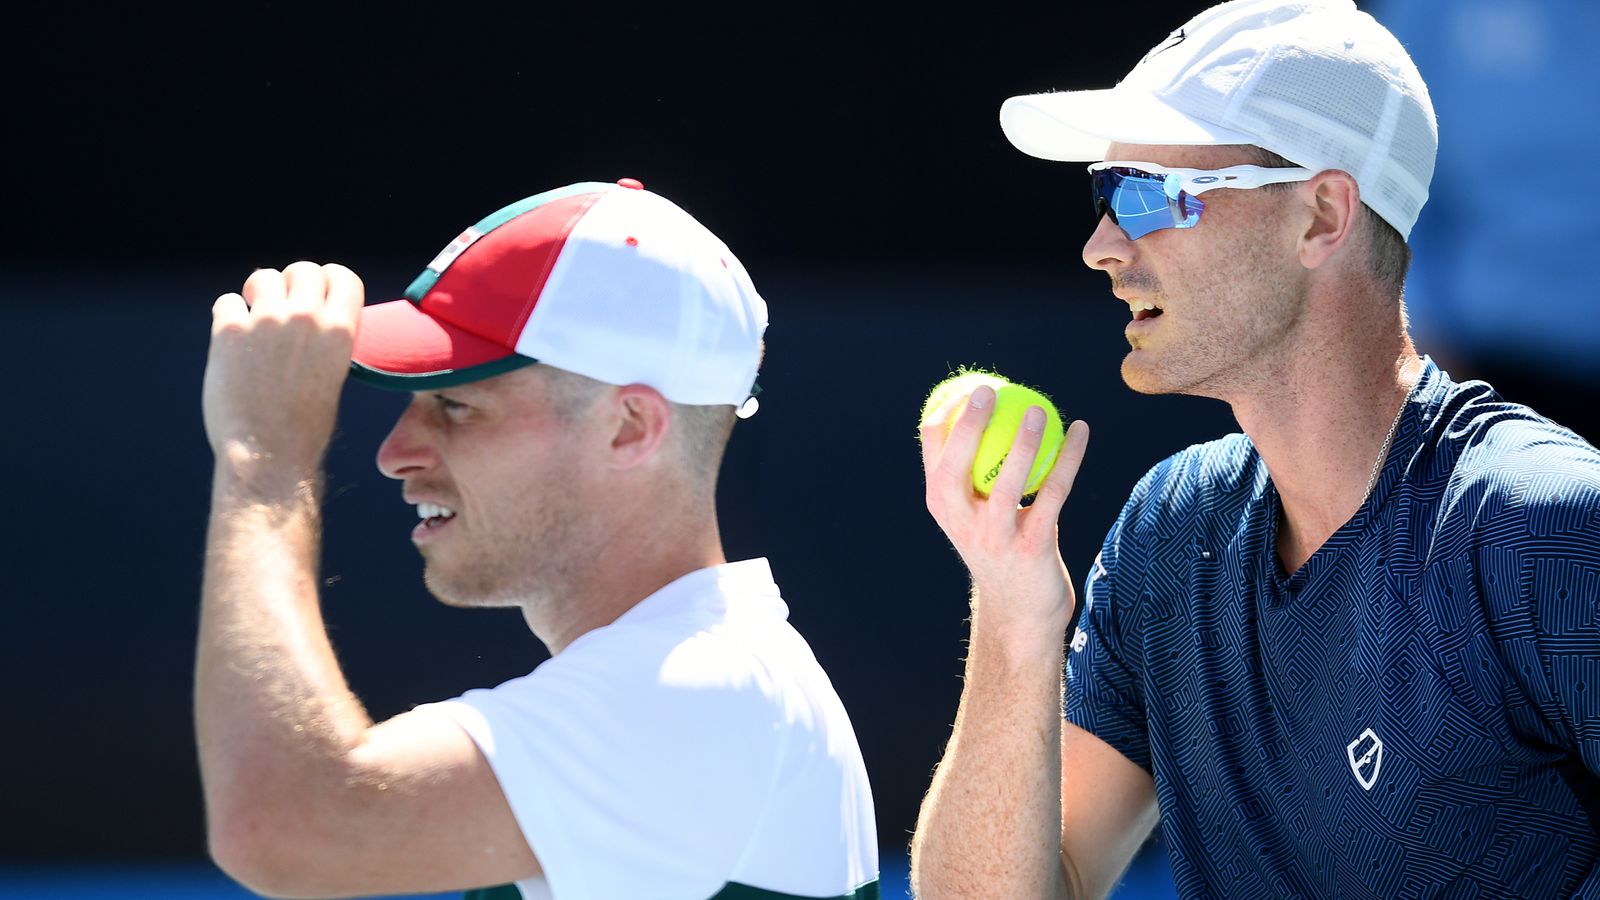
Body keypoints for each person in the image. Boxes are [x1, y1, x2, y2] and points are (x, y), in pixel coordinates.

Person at [909, 1, 1600, 897]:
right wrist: (1012, 614)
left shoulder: (1548, 528)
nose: (1102, 244)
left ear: (1321, 215)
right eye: (1105, 190)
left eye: (1149, 189)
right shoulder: (1167, 532)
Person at [196, 178, 879, 900]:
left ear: (629, 428)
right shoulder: (713, 675)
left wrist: (264, 461)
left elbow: (290, 829)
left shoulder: (703, 685)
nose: (394, 453)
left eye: (455, 406)